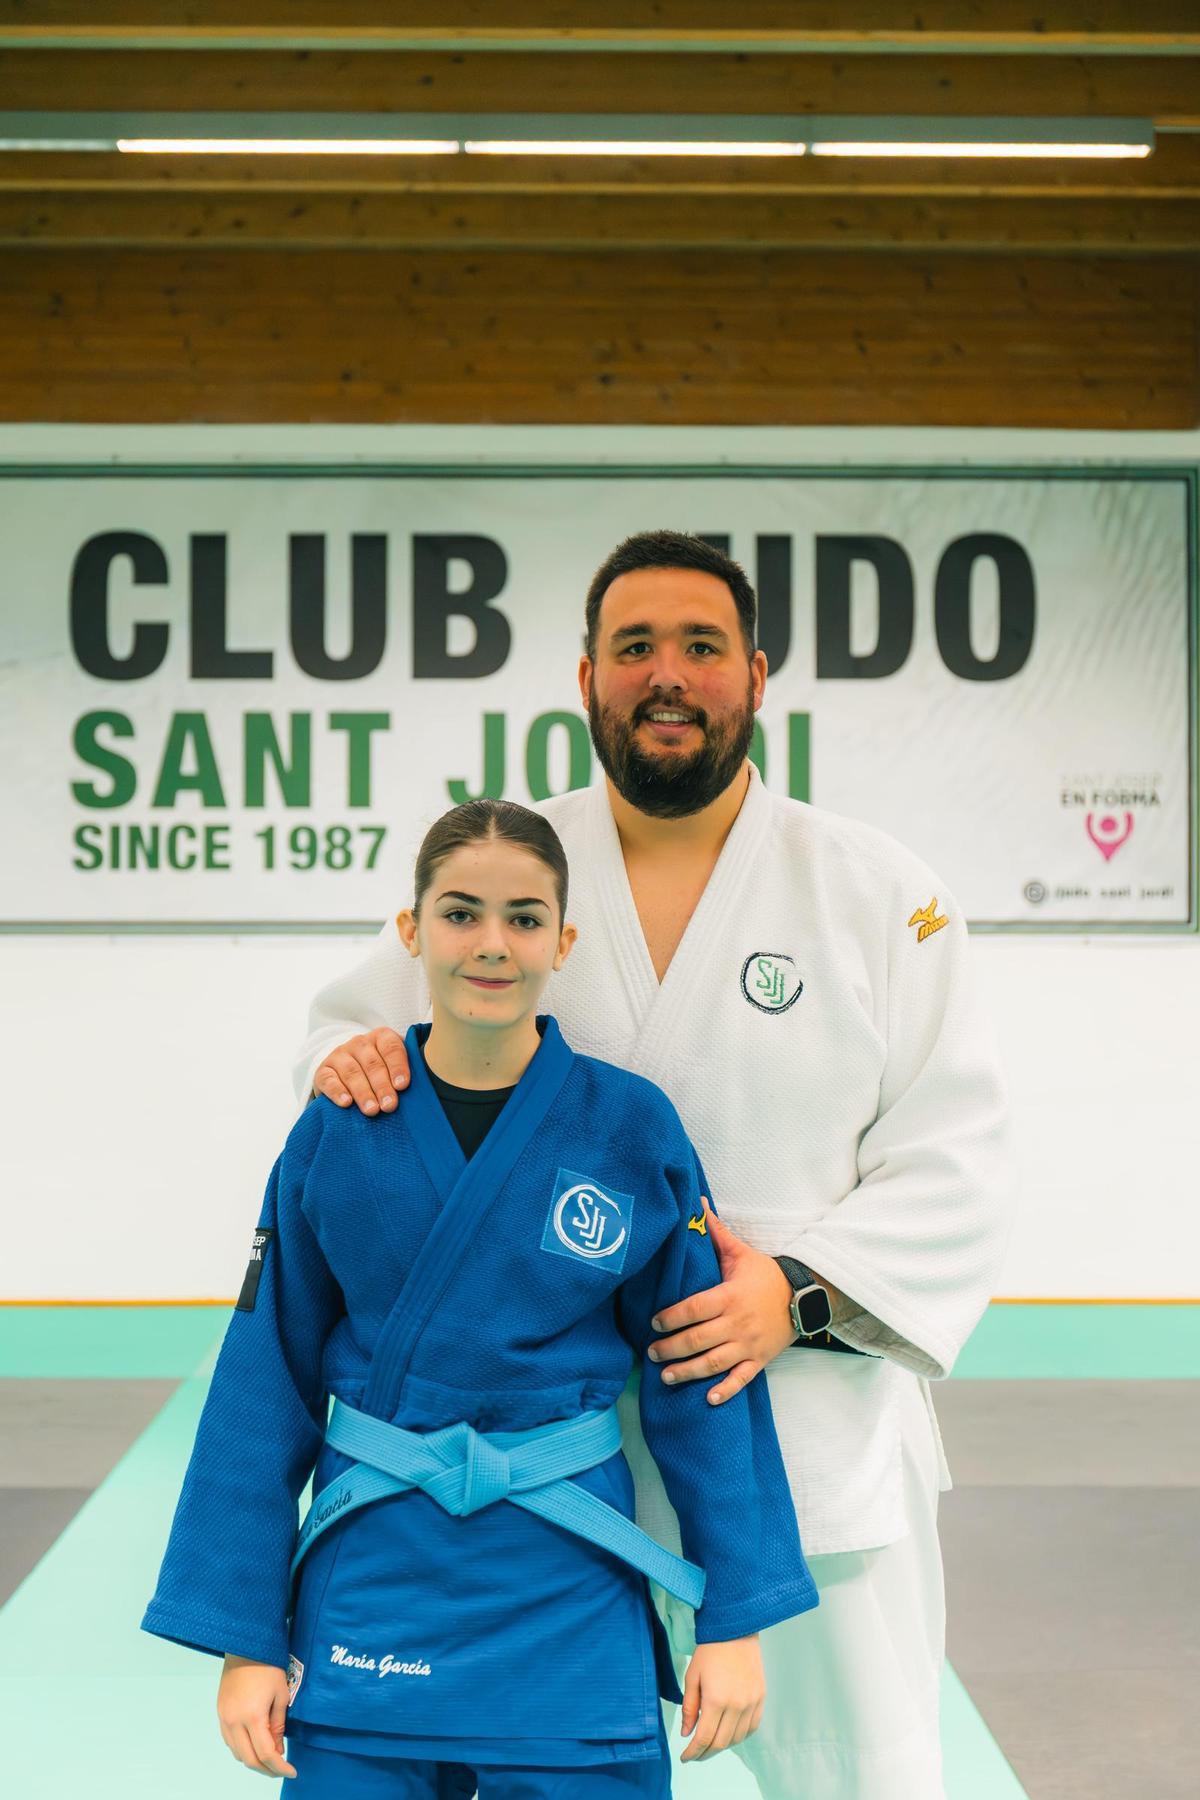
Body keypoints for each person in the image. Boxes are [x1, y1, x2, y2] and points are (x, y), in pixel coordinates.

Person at [293, 529, 1017, 1800]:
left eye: (701, 646)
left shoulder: (878, 892)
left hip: (800, 1430)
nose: (667, 674)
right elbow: (348, 1045)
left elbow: (958, 1161)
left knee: (868, 1780)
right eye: (635, 647)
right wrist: (347, 1067)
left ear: (758, 673)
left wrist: (790, 1290)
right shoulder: (515, 870)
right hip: (551, 1470)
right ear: (585, 677)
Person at [141, 797, 820, 1798]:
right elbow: (263, 1380)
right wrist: (246, 1637)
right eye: (460, 914)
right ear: (411, 931)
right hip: (373, 1589)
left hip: (567, 1594)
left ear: (563, 939)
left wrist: (735, 1616)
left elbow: (698, 1372)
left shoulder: (630, 1129)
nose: (491, 944)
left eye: (523, 917)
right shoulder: (340, 1129)